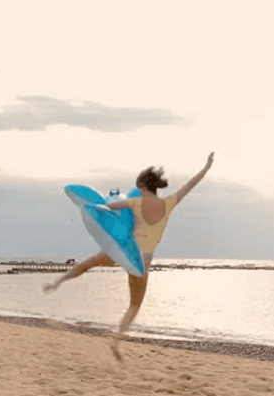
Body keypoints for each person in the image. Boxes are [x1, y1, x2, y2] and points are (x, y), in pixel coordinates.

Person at [44, 152, 215, 360]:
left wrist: (105, 201)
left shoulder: (134, 204)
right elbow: (189, 186)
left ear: (142, 188)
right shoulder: (170, 203)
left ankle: (57, 282)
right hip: (140, 263)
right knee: (134, 305)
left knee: (87, 264)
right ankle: (116, 341)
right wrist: (206, 168)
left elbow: (105, 208)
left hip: (120, 250)